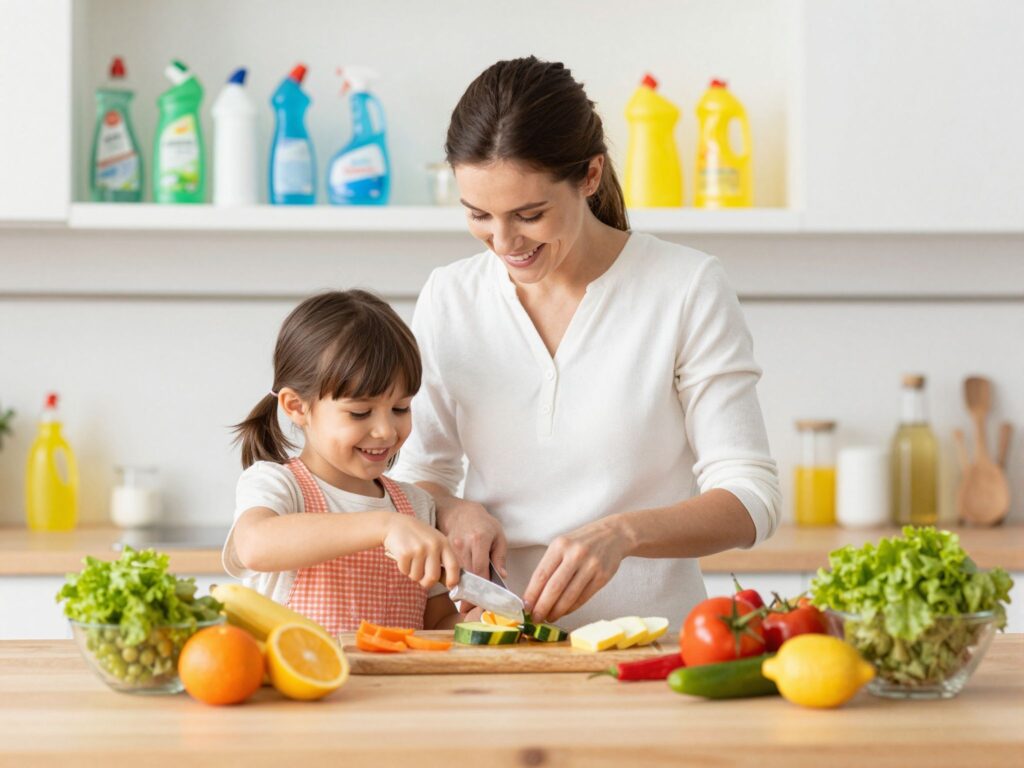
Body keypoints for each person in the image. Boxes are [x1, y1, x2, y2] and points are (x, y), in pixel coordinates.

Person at [393, 57, 781, 630]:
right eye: (478, 215)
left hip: (653, 647)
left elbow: (752, 497)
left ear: (591, 175)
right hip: (500, 646)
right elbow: (417, 474)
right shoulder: (450, 296)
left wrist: (623, 533)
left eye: (529, 214)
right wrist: (453, 510)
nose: (503, 242)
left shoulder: (685, 286)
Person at [222, 290, 463, 634]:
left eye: (400, 408)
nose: (386, 430)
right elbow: (254, 546)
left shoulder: (417, 507)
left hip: (395, 672)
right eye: (360, 412)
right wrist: (383, 526)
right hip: (305, 671)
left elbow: (436, 623)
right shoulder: (279, 485)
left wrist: (478, 621)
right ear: (296, 407)